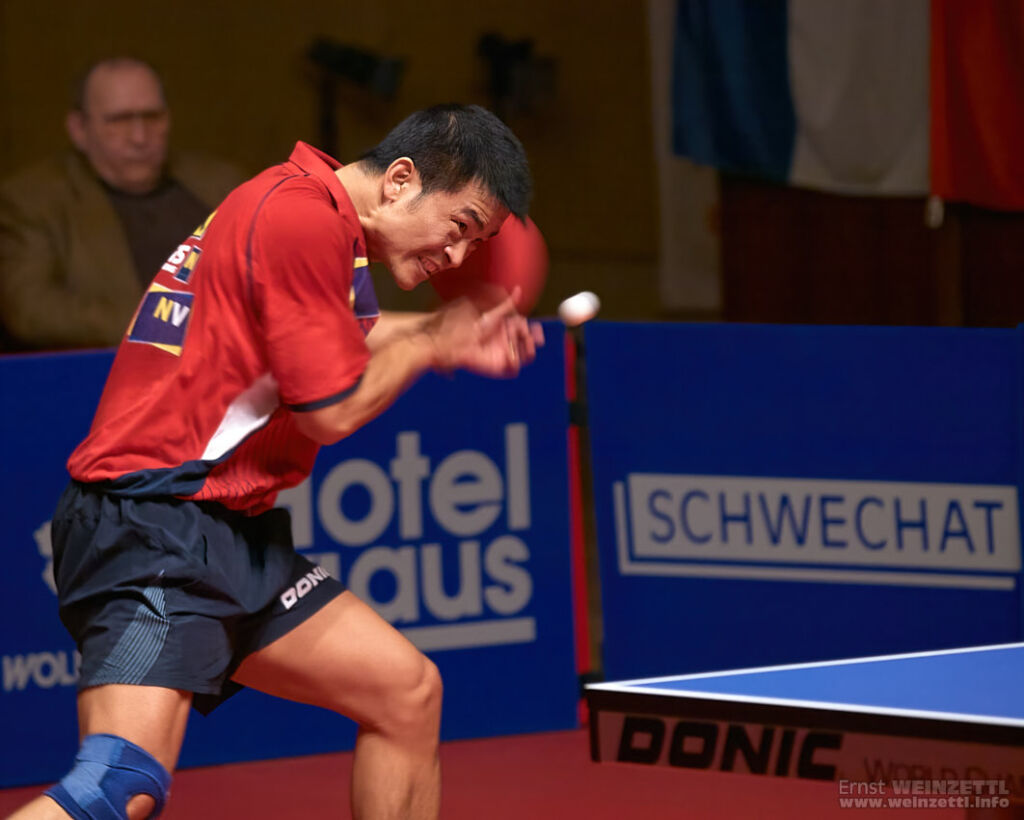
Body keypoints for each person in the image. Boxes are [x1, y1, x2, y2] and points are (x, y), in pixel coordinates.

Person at [6, 103, 542, 820]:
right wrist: (432, 344)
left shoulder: (320, 217)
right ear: (402, 179)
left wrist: (448, 331)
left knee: (405, 692)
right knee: (117, 786)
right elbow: (330, 409)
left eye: (477, 245)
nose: (458, 258)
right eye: (460, 227)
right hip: (151, 523)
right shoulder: (298, 219)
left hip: (225, 530)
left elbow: (336, 341)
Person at [0, 57, 245, 351]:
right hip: (104, 378)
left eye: (152, 117)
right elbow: (31, 309)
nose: (140, 137)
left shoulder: (222, 183)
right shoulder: (33, 201)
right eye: (119, 121)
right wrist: (168, 323)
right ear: (79, 129)